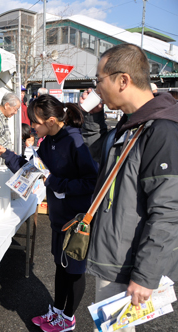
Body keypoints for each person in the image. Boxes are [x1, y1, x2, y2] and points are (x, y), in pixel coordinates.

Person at [81, 43, 178, 332]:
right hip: (115, 255)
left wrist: (146, 274)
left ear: (123, 80)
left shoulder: (161, 130)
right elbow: (103, 155)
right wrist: (93, 117)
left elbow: (169, 211)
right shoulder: (132, 123)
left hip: (130, 263)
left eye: (99, 80)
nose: (96, 87)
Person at [0, 94, 98, 332]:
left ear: (51, 120)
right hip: (58, 218)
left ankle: (68, 319)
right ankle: (58, 311)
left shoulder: (74, 141)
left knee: (73, 271)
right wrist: (7, 154)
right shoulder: (47, 142)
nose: (32, 125)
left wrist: (56, 183)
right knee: (60, 266)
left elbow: (92, 183)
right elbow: (33, 170)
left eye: (36, 121)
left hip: (76, 221)